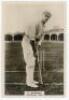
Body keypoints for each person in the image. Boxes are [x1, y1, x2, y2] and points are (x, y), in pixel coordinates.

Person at [22, 11, 51, 88]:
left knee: (33, 61)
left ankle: (31, 80)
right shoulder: (35, 23)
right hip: (27, 42)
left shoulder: (43, 25)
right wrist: (35, 51)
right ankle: (29, 82)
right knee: (30, 62)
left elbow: (40, 37)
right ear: (42, 15)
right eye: (46, 16)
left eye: (48, 17)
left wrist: (38, 45)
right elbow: (31, 40)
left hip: (34, 42)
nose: (47, 18)